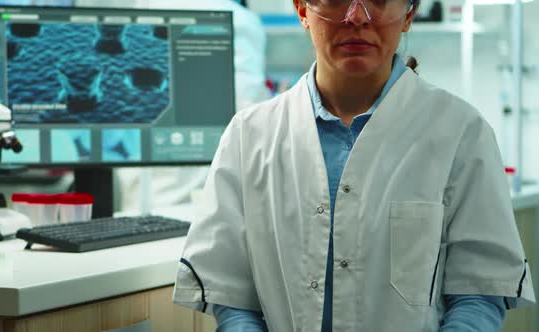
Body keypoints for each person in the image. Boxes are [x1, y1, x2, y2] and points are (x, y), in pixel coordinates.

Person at [172, 0, 536, 331]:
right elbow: (232, 299)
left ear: (408, 14)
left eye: (378, 1)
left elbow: (478, 293)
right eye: (336, 0)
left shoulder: (460, 132)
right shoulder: (248, 136)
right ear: (302, 10)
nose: (356, 16)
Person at [112, 0, 270, 214]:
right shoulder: (238, 19)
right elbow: (251, 111)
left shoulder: (142, 11)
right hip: (200, 196)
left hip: (143, 197)